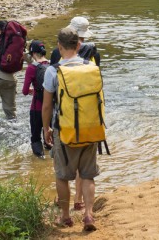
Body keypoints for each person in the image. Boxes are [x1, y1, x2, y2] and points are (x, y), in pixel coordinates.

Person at [43, 27, 100, 231]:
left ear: (59, 47)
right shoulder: (90, 67)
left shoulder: (53, 70)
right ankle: (88, 215)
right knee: (87, 175)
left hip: (65, 131)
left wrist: (46, 128)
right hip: (91, 128)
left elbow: (47, 105)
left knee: (62, 176)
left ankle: (66, 216)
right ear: (78, 45)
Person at [22, 40, 50, 158]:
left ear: (32, 53)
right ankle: (51, 159)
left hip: (37, 108)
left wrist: (33, 91)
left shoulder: (31, 68)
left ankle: (40, 161)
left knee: (35, 137)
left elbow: (24, 91)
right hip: (51, 108)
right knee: (49, 135)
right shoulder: (51, 65)